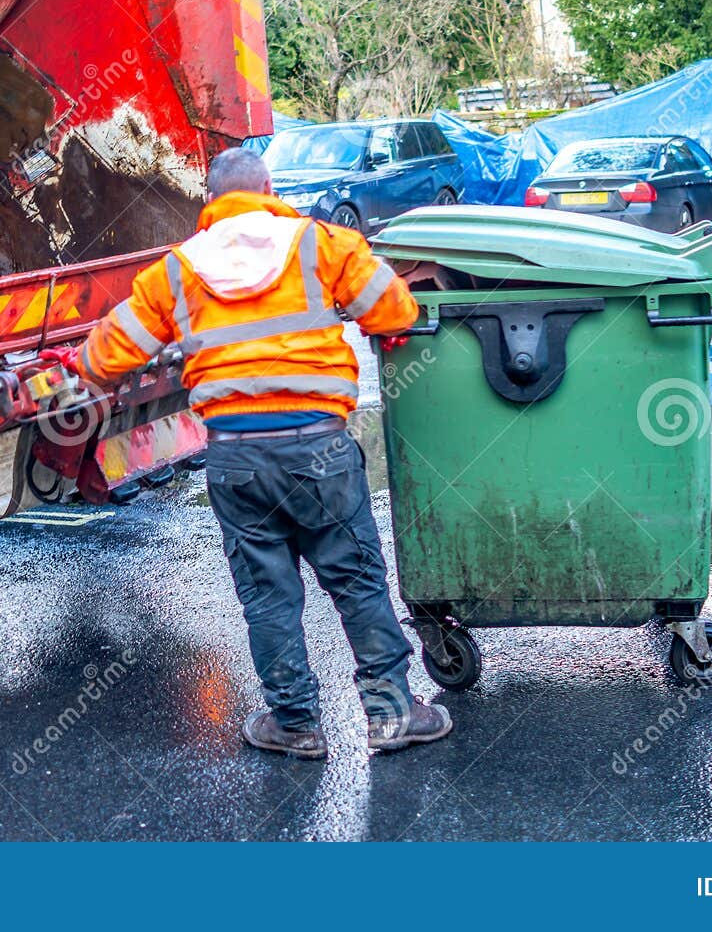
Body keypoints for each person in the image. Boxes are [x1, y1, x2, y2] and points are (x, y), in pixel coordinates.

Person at [76, 147, 452, 759]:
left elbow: (103, 359)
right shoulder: (323, 244)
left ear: (212, 203)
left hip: (235, 459)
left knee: (268, 595)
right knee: (356, 582)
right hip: (318, 448)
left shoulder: (176, 270)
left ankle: (296, 723)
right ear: (270, 189)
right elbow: (395, 310)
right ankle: (390, 714)